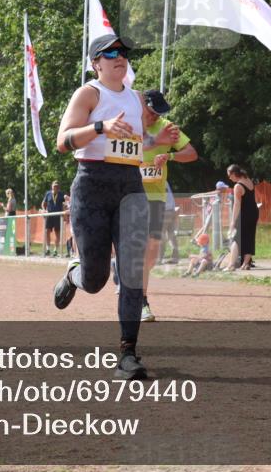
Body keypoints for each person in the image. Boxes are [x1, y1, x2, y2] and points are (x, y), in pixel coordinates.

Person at [52, 34, 179, 380]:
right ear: (96, 63)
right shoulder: (88, 94)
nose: (119, 56)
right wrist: (99, 127)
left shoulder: (136, 98)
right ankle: (74, 274)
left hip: (130, 188)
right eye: (110, 53)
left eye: (122, 52)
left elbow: (131, 143)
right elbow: (63, 141)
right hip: (92, 186)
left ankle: (128, 353)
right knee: (95, 280)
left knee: (132, 271)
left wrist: (155, 141)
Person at [140, 89, 197, 322]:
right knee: (137, 248)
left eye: (159, 113)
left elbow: (191, 153)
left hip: (156, 196)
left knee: (152, 250)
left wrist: (170, 157)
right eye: (152, 112)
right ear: (142, 106)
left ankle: (129, 277)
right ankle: (141, 300)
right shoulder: (129, 123)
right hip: (128, 195)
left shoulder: (167, 127)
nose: (155, 117)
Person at [225, 165, 259, 271]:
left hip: (244, 214)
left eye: (230, 176)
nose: (229, 178)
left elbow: (237, 205)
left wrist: (232, 221)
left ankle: (231, 265)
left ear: (234, 174)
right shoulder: (248, 180)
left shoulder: (238, 186)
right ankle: (246, 263)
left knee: (236, 239)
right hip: (254, 212)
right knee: (249, 237)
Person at [42, 181, 66, 256]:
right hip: (49, 215)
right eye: (54, 186)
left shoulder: (61, 194)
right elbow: (43, 203)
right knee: (47, 231)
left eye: (57, 186)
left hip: (58, 216)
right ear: (52, 186)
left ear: (58, 187)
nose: (55, 187)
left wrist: (64, 213)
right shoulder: (48, 193)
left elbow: (64, 204)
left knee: (57, 232)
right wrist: (44, 210)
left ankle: (55, 250)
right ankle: (48, 249)